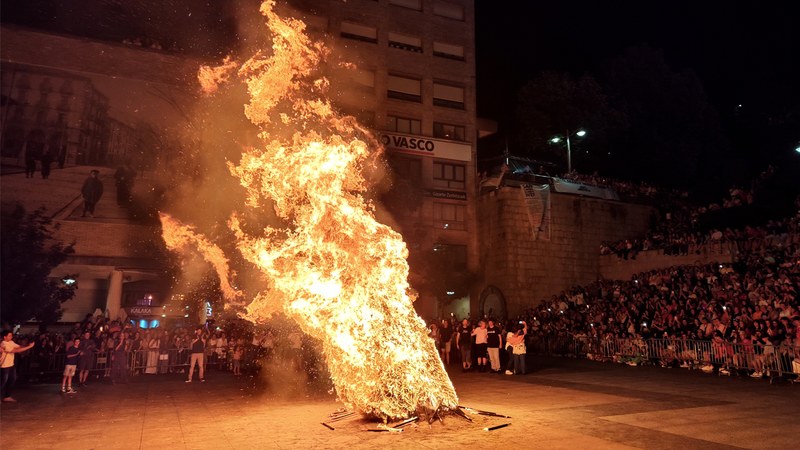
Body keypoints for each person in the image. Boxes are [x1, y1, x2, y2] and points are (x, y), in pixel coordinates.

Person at [1, 330, 36, 402]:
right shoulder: (3, 344)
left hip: (11, 365)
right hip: (4, 366)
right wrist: (29, 347)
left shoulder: (11, 342)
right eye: (9, 336)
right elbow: (15, 351)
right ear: (5, 337)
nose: (11, 337)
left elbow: (19, 347)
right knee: (2, 382)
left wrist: (28, 345)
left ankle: (7, 396)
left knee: (12, 380)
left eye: (11, 335)